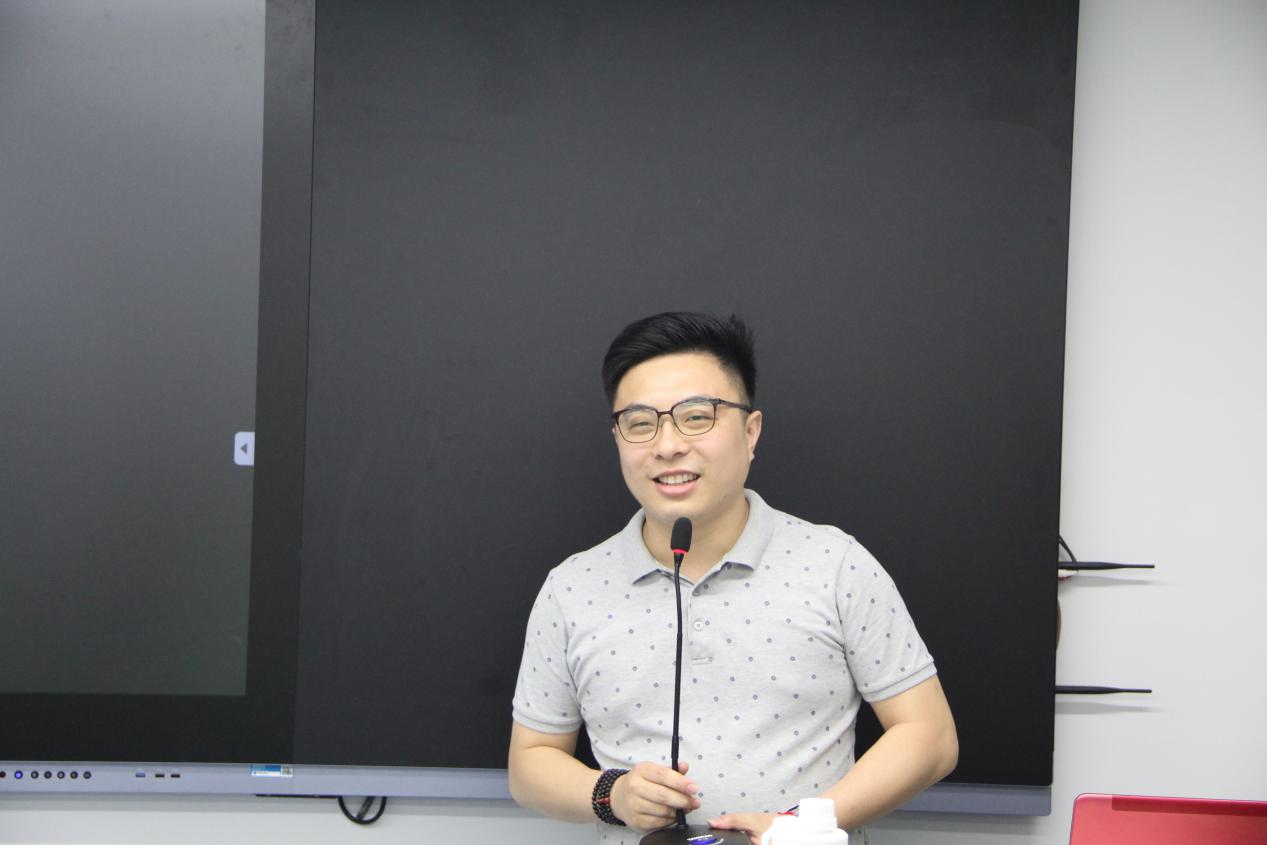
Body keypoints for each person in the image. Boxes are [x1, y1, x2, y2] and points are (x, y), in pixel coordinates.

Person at [509, 312, 957, 845]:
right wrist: (612, 794)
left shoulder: (836, 564)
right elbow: (530, 763)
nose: (667, 445)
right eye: (640, 423)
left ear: (750, 431)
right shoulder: (571, 588)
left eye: (696, 417)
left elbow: (929, 736)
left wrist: (801, 825)